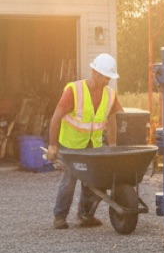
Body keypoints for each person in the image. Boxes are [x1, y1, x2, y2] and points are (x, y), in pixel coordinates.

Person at [46, 54, 123, 229]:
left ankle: (86, 216)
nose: (108, 81)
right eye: (105, 77)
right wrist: (52, 145)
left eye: (109, 77)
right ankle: (60, 217)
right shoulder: (74, 90)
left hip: (94, 145)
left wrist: (112, 144)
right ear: (94, 72)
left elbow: (113, 119)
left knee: (94, 180)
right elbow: (56, 117)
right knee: (70, 180)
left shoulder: (110, 94)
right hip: (72, 145)